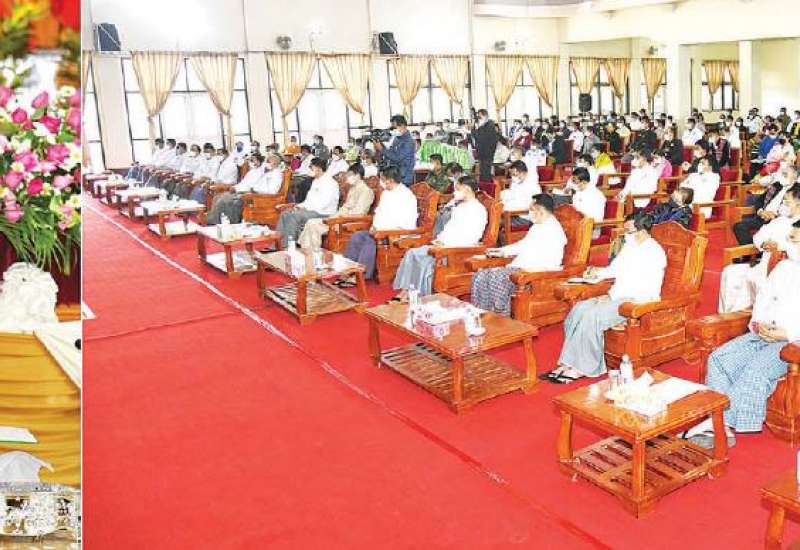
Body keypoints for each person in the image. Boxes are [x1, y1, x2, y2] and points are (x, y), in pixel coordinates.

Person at [685, 221, 800, 449]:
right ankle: (720, 424)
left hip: (791, 342)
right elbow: (762, 300)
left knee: (755, 370)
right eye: (791, 238)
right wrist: (758, 324)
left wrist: (786, 333)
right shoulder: (784, 267)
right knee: (718, 359)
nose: (790, 243)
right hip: (763, 332)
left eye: (795, 239)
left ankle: (718, 424)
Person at [546, 212, 667, 383]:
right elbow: (615, 270)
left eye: (628, 231)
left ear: (642, 232)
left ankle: (586, 367)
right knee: (579, 309)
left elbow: (641, 286)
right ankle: (569, 362)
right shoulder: (630, 246)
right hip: (618, 296)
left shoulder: (654, 253)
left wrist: (612, 297)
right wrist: (597, 272)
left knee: (592, 316)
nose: (625, 235)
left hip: (636, 301)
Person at [391, 176, 487, 300]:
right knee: (412, 253)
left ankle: (417, 296)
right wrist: (440, 240)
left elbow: (470, 237)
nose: (454, 193)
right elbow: (450, 229)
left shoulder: (478, 210)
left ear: (467, 189)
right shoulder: (461, 206)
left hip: (456, 251)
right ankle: (406, 291)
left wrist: (445, 244)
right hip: (444, 244)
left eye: (458, 189)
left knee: (424, 261)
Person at [470, 194, 566, 315]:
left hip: (533, 274)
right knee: (481, 275)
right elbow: (523, 245)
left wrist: (525, 271)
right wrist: (501, 251)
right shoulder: (538, 225)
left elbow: (552, 262)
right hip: (520, 268)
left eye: (531, 209)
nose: (529, 213)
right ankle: (482, 313)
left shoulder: (554, 231)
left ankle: (500, 317)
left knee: (497, 278)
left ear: (540, 210)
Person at [719, 184, 800, 313]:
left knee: (755, 281)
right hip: (763, 264)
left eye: (787, 201)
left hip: (786, 272)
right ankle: (729, 315)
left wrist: (779, 247)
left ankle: (748, 315)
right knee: (730, 272)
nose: (783, 204)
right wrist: (763, 244)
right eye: (783, 200)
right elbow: (759, 236)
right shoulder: (780, 221)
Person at [343, 166, 418, 280]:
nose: (380, 182)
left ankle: (361, 275)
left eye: (382, 179)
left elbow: (404, 222)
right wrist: (374, 226)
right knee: (357, 236)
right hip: (379, 230)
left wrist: (381, 230)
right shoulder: (386, 193)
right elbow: (379, 212)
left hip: (396, 233)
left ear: (390, 180)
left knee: (369, 241)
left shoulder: (406, 196)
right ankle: (347, 270)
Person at [298, 163, 374, 251]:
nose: (347, 177)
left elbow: (359, 213)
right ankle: (307, 252)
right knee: (311, 222)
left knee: (314, 224)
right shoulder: (353, 189)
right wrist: (335, 216)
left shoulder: (366, 191)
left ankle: (314, 252)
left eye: (349, 175)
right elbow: (345, 207)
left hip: (348, 222)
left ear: (357, 175)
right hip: (339, 218)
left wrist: (339, 219)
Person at [276, 157, 339, 248]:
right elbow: (308, 200)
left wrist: (305, 208)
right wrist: (299, 206)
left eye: (311, 168)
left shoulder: (330, 183)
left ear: (319, 169)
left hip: (323, 213)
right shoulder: (316, 181)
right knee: (285, 213)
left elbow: (323, 204)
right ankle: (278, 244)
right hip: (311, 210)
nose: (309, 170)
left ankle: (288, 246)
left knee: (293, 216)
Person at [205, 154, 283, 225]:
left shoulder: (277, 174)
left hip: (260, 198)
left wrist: (255, 190)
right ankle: (216, 220)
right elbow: (250, 184)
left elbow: (272, 191)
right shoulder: (266, 172)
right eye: (266, 161)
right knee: (220, 196)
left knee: (227, 200)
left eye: (268, 162)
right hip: (250, 193)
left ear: (276, 164)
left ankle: (228, 223)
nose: (266, 163)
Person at [733, 166, 798, 245]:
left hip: (778, 221)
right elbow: (760, 200)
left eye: (785, 174)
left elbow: (792, 212)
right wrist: (761, 211)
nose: (782, 176)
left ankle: (753, 249)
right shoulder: (777, 185)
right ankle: (752, 249)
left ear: (794, 178)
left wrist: (773, 216)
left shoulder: (796, 192)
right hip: (762, 217)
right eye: (782, 173)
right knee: (739, 226)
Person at [500, 160, 542, 232]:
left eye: (515, 174)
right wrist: (501, 196)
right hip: (514, 213)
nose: (513, 177)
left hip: (525, 218)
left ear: (524, 173)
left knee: (496, 221)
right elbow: (512, 194)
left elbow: (526, 206)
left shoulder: (532, 186)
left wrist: (505, 206)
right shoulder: (517, 182)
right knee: (494, 216)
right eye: (512, 175)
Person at [374, 115, 415, 187]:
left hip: (404, 177)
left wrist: (382, 149)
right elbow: (391, 153)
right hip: (395, 174)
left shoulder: (408, 141)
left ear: (402, 125)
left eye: (394, 127)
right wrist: (381, 147)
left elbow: (397, 157)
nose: (393, 130)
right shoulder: (397, 138)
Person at [570, 167, 606, 236]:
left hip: (590, 229)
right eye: (573, 181)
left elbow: (597, 218)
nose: (573, 183)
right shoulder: (578, 192)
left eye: (575, 181)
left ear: (584, 182)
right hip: (577, 226)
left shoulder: (597, 195)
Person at [469, 109, 500, 184]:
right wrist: (474, 128)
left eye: (480, 117)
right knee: (483, 172)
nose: (479, 119)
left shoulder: (490, 125)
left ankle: (488, 187)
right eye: (478, 117)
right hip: (482, 152)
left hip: (487, 153)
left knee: (486, 173)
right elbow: (475, 135)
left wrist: (477, 128)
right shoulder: (483, 125)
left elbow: (480, 137)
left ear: (486, 116)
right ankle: (484, 186)